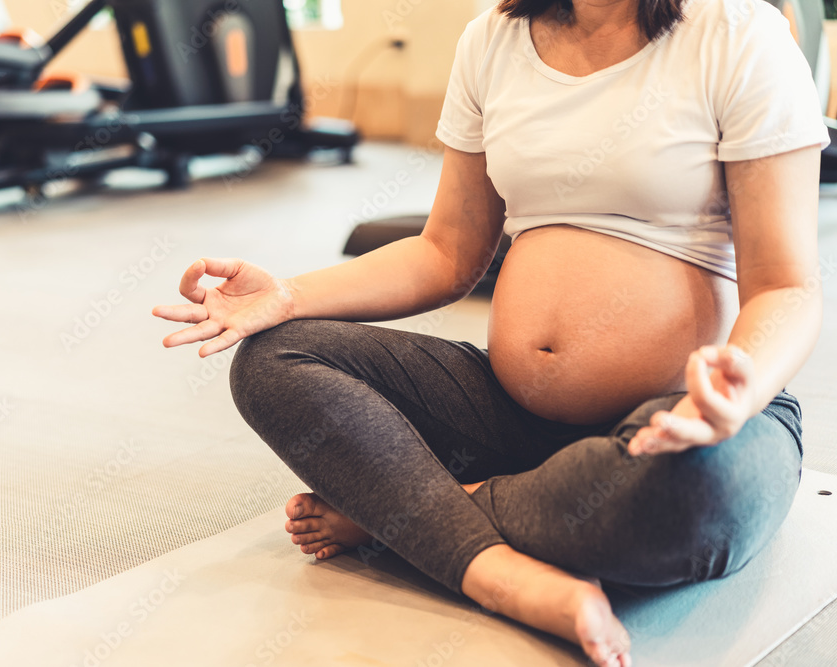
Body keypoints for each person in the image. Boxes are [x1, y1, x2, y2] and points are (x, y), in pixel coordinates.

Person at [153, 0, 830, 663]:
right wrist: (288, 295)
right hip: (511, 419)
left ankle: (404, 514)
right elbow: (445, 251)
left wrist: (730, 401)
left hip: (682, 421)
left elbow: (786, 287)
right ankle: (499, 572)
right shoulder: (493, 41)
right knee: (275, 355)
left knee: (699, 494)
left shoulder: (738, 34)